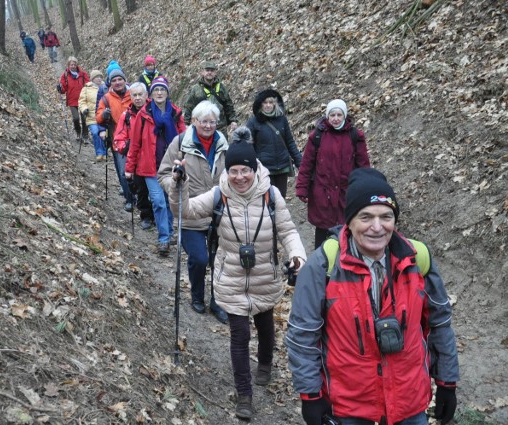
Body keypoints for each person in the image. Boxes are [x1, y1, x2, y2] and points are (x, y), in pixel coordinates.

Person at [285, 167, 459, 425]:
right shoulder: (324, 265)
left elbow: (440, 324)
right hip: (350, 407)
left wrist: (447, 382)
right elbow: (302, 335)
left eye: (386, 216)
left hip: (409, 403)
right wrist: (310, 396)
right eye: (365, 217)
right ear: (350, 221)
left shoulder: (417, 258)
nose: (377, 227)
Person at [166, 128, 307, 419]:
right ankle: (244, 394)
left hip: (265, 275)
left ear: (255, 169)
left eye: (245, 170)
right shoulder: (219, 194)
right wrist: (179, 186)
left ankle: (266, 364)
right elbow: (185, 211)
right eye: (234, 170)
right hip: (230, 276)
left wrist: (297, 255)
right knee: (240, 335)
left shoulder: (272, 195)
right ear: (227, 171)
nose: (239, 176)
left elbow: (288, 230)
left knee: (266, 325)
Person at [158, 100, 229, 323]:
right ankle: (197, 295)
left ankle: (218, 302)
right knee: (199, 259)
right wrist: (176, 183)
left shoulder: (225, 146)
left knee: (221, 261)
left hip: (220, 213)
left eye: (212, 121)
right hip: (190, 212)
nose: (208, 125)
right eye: (203, 121)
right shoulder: (180, 143)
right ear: (194, 121)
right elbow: (163, 173)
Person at [295, 99, 370, 248]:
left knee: (346, 231)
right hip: (322, 194)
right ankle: (320, 266)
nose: (335, 118)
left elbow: (364, 167)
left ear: (344, 116)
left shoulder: (355, 136)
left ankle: (344, 265)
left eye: (339, 115)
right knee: (322, 233)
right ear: (327, 117)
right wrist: (302, 188)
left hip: (346, 193)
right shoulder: (317, 136)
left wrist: (366, 190)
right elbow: (307, 164)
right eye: (332, 115)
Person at [125, 76, 186, 256]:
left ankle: (169, 232)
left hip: (171, 166)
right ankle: (164, 239)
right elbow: (134, 143)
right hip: (150, 167)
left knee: (169, 202)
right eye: (156, 90)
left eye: (163, 90)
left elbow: (185, 139)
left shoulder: (175, 113)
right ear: (151, 94)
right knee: (158, 202)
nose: (159, 93)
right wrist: (129, 168)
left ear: (167, 92)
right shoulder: (143, 115)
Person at [246, 89, 302, 198]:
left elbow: (290, 142)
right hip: (264, 168)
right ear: (260, 104)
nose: (268, 105)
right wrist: (252, 166)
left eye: (270, 102)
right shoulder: (253, 122)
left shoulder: (282, 119)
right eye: (265, 103)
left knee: (280, 199)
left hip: (282, 167)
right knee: (267, 201)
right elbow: (248, 146)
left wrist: (300, 162)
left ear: (275, 104)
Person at [112, 82, 154, 225]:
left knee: (156, 191)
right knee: (141, 190)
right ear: (130, 97)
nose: (137, 98)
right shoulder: (127, 116)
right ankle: (146, 215)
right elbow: (118, 137)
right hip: (135, 158)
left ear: (146, 95)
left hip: (153, 157)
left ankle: (158, 216)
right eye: (134, 95)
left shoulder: (154, 111)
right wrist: (126, 146)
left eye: (140, 94)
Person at [96, 68, 134, 210]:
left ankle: (141, 198)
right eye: (114, 80)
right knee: (123, 172)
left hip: (137, 139)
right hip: (118, 140)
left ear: (125, 80)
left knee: (138, 172)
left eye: (120, 79)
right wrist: (104, 115)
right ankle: (129, 198)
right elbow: (98, 117)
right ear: (110, 83)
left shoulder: (134, 94)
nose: (117, 82)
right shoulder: (106, 98)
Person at [183, 61, 239, 137]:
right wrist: (186, 123)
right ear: (202, 72)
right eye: (207, 70)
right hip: (202, 128)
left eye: (212, 71)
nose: (209, 72)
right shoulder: (195, 89)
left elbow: (228, 104)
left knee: (222, 148)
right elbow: (189, 107)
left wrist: (233, 120)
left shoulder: (221, 87)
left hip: (220, 127)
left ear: (215, 73)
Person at [57, 57, 90, 143]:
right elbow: (63, 89)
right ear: (68, 65)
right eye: (71, 64)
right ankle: (78, 133)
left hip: (83, 99)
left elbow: (88, 84)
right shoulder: (65, 75)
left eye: (74, 64)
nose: (73, 66)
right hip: (72, 100)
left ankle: (85, 136)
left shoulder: (83, 74)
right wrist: (60, 88)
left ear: (77, 64)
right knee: (75, 118)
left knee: (84, 118)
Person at [79, 70, 107, 160]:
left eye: (100, 77)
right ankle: (99, 152)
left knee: (104, 134)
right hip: (91, 116)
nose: (99, 78)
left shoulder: (105, 87)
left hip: (103, 116)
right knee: (95, 132)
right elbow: (81, 101)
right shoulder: (86, 88)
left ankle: (105, 152)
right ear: (92, 79)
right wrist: (84, 109)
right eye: (97, 77)